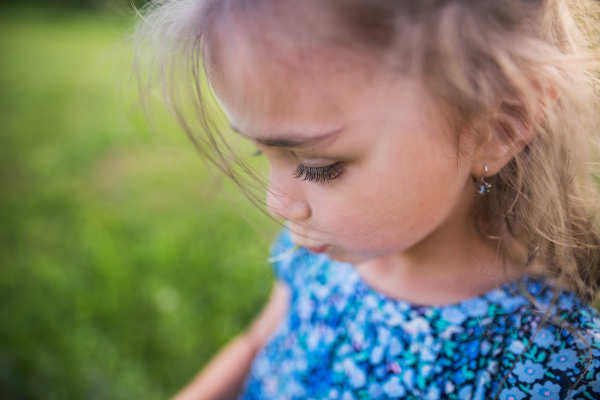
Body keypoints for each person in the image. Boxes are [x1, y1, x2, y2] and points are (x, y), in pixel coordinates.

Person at [134, 0, 600, 399]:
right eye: (261, 150)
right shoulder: (320, 252)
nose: (277, 203)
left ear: (499, 127)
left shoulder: (551, 363)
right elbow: (258, 343)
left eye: (320, 166)